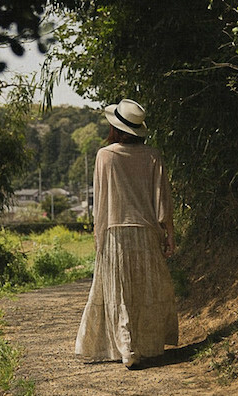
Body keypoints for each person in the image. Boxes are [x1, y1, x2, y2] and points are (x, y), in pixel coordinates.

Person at [75, 99, 178, 369]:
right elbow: (162, 200)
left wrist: (99, 237)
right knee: (145, 291)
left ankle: (127, 348)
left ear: (117, 129)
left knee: (118, 292)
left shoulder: (104, 155)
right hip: (146, 232)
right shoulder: (152, 155)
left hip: (115, 232)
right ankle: (149, 346)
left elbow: (101, 202)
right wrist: (169, 234)